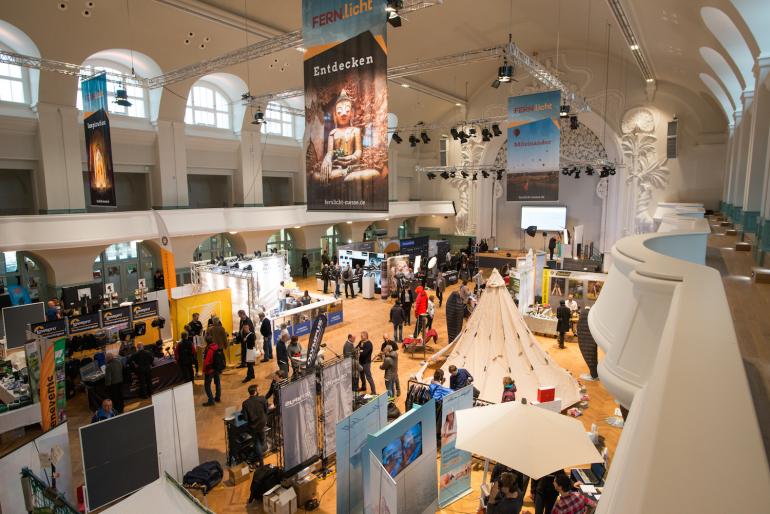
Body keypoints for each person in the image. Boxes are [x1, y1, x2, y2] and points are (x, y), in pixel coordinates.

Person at [320, 90, 363, 182]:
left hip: (353, 165)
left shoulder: (355, 130)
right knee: (323, 176)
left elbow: (358, 150)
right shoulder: (333, 132)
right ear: (335, 115)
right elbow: (330, 152)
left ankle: (346, 172)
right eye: (339, 111)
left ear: (351, 113)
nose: (343, 114)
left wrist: (352, 157)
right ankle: (344, 172)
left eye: (347, 110)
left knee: (361, 175)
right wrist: (327, 158)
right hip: (337, 164)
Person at [241, 384, 268, 467]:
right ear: (256, 392)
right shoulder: (263, 399)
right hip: (262, 424)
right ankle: (257, 460)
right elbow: (266, 411)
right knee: (262, 443)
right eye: (258, 389)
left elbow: (245, 419)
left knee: (257, 444)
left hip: (253, 427)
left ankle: (255, 460)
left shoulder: (245, 403)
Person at [577, 306, 599, 381]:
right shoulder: (592, 317)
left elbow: (580, 327)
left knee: (590, 356)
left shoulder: (583, 314)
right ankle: (594, 374)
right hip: (591, 340)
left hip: (586, 340)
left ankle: (593, 375)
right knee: (592, 356)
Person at [202, 335, 223, 406]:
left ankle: (211, 400)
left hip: (210, 370)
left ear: (206, 341)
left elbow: (206, 362)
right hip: (216, 368)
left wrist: (203, 370)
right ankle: (217, 397)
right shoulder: (216, 347)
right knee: (217, 383)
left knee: (207, 385)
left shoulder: (209, 349)